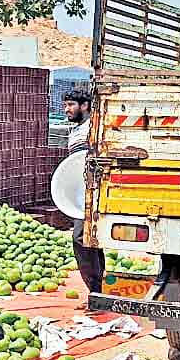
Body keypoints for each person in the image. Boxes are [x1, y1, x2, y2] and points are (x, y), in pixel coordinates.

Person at [63, 88, 103, 293]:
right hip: (81, 193)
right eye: (65, 105)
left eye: (70, 105)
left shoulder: (93, 126)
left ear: (84, 105)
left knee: (80, 237)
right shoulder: (76, 130)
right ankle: (98, 288)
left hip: (95, 190)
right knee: (90, 238)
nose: (66, 110)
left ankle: (95, 290)